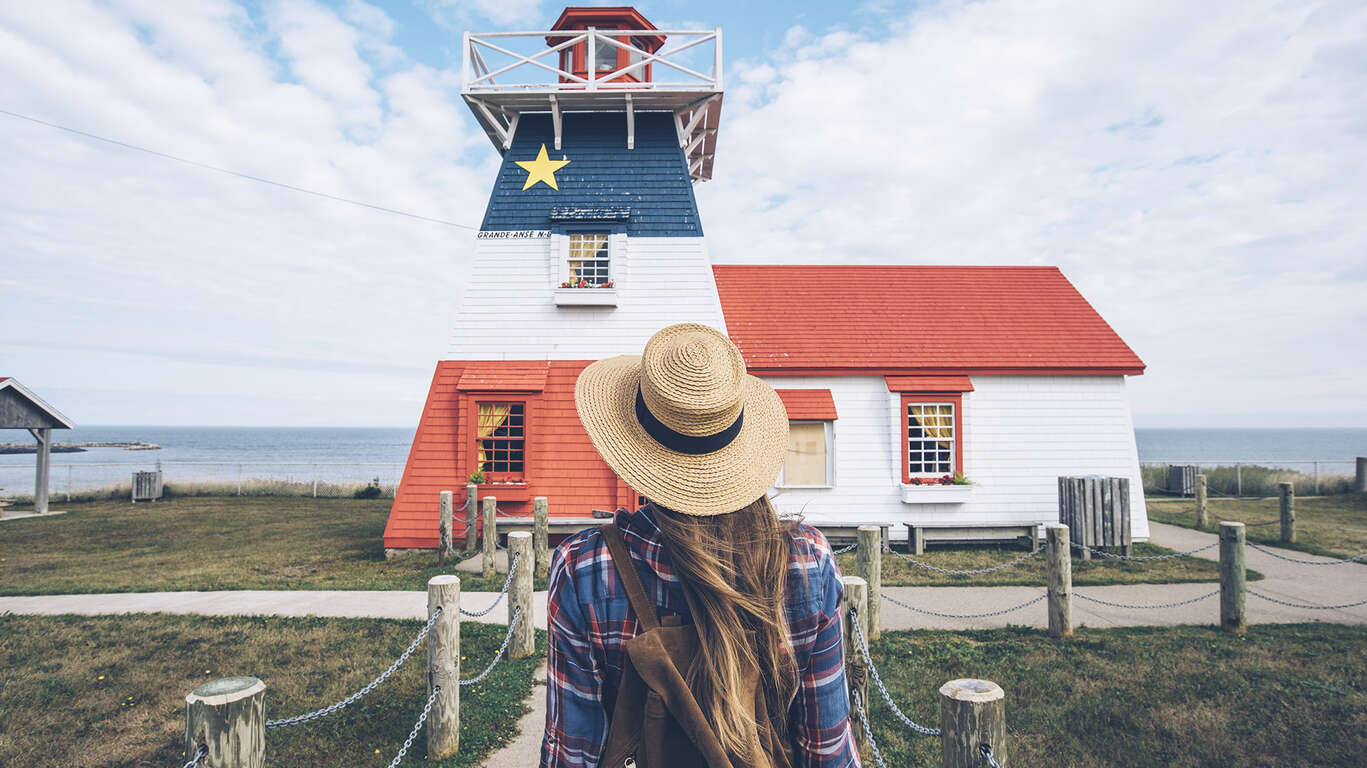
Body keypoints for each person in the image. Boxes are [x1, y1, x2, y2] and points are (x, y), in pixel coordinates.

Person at [540, 323, 861, 768]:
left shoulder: (583, 570)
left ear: (636, 445)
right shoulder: (809, 562)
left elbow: (573, 754)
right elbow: (828, 751)